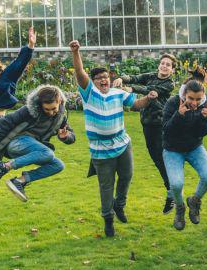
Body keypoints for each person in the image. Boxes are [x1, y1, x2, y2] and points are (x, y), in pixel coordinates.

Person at [69, 40, 158, 237]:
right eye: (99, 78)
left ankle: (120, 205)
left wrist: (149, 99)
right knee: (106, 186)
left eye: (106, 77)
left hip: (123, 144)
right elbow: (80, 73)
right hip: (101, 150)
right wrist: (76, 52)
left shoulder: (118, 93)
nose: (104, 80)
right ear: (93, 81)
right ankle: (108, 220)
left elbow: (136, 105)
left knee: (126, 176)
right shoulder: (89, 94)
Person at [0, 85, 75, 202]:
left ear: (60, 101)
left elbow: (72, 136)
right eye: (47, 109)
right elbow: (3, 122)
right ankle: (4, 166)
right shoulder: (28, 111)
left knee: (58, 165)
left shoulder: (61, 118)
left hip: (31, 148)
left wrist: (66, 136)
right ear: (40, 104)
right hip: (15, 143)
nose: (51, 112)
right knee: (48, 152)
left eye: (54, 109)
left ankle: (19, 181)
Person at [112, 54, 177, 214]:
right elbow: (135, 77)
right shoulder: (151, 75)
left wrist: (132, 89)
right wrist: (122, 78)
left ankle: (172, 193)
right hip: (147, 124)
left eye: (168, 65)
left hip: (160, 124)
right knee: (156, 158)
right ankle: (172, 190)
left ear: (172, 70)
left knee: (161, 158)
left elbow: (150, 90)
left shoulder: (169, 84)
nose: (164, 66)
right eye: (162, 63)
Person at [162, 81, 207, 231]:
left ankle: (194, 201)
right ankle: (179, 208)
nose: (194, 103)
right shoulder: (172, 103)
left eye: (198, 99)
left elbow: (202, 132)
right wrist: (179, 115)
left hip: (194, 147)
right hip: (172, 149)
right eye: (191, 98)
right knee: (176, 184)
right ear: (184, 94)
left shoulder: (204, 105)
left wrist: (205, 119)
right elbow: (166, 130)